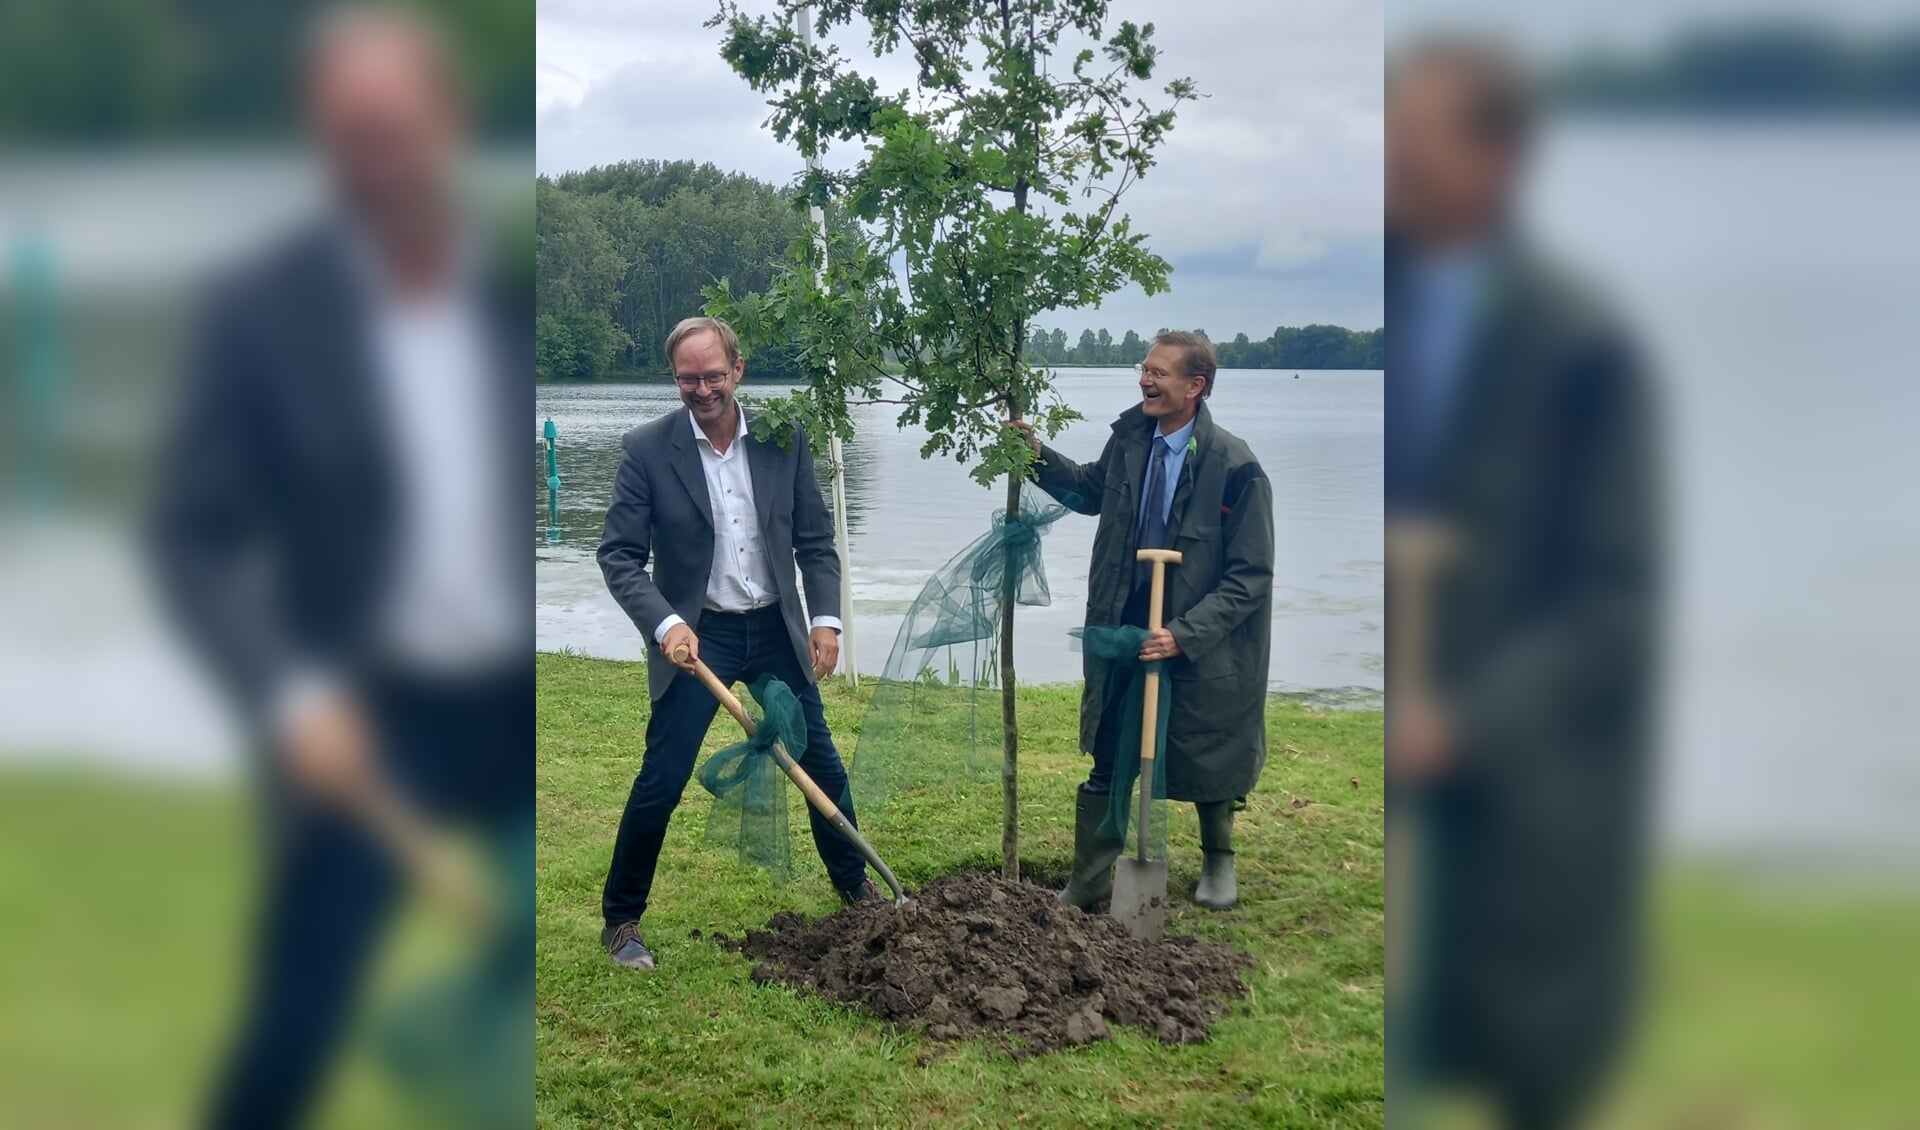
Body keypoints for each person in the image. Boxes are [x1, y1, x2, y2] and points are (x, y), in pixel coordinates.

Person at [146, 7, 530, 1128]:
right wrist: (289, 691)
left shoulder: (509, 301)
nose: (378, 164)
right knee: (293, 1030)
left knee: (521, 1009)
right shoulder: (258, 314)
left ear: (453, 125)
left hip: (516, 708)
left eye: (397, 132)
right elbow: (189, 537)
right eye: (349, 139)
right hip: (366, 711)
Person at [1386, 36, 1660, 1129]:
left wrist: (1469, 719)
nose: (1397, 161)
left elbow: (1619, 601)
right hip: (1410, 795)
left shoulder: (1585, 347)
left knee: (1530, 1071)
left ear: (1500, 157)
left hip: (1525, 795)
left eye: (1420, 140)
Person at [596, 315, 877, 971]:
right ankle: (622, 921)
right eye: (688, 378)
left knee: (823, 766)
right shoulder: (647, 449)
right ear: (676, 379)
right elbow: (618, 557)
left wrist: (826, 621)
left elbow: (815, 542)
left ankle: (857, 890)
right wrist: (666, 625)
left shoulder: (783, 436)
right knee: (661, 780)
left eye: (713, 375)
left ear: (738, 370)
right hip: (702, 637)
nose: (702, 390)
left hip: (777, 628)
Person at [1013, 331, 1275, 912]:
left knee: (1208, 741)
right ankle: (1091, 878)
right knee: (1111, 739)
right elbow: (1088, 491)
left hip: (1201, 632)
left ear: (1194, 387)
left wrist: (1185, 634)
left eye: (1158, 373)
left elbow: (1251, 576)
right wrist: (1034, 453)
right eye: (1144, 369)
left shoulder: (1237, 467)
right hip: (1123, 616)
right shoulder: (1132, 439)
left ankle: (1219, 861)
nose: (1145, 380)